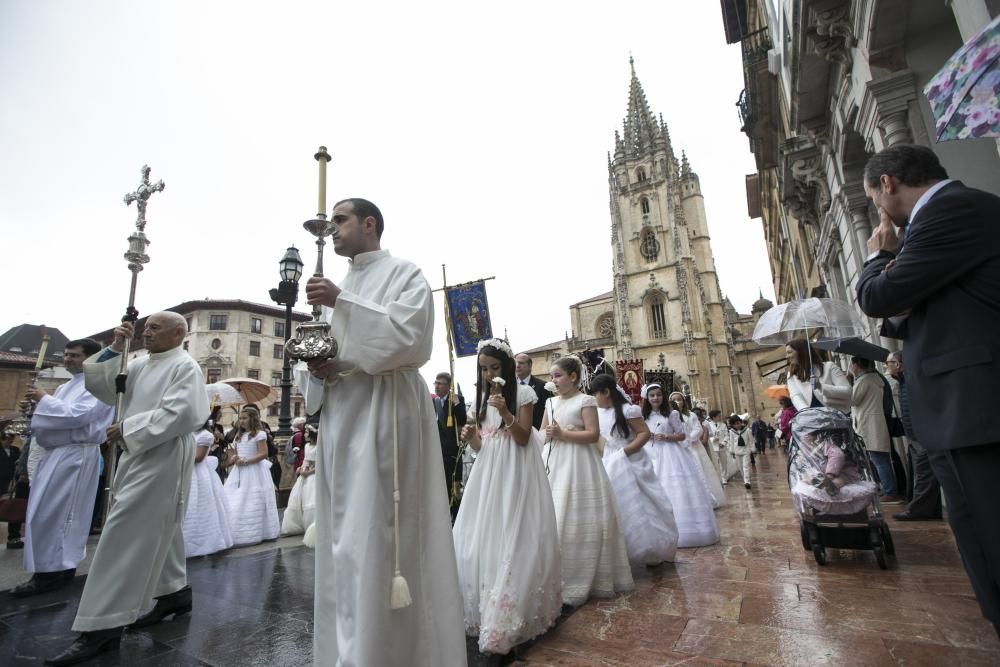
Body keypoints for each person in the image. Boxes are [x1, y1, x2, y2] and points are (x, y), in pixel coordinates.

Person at [293, 197, 466, 665]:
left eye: (341, 220)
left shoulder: (405, 274)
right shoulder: (335, 287)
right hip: (341, 418)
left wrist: (341, 302)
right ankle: (349, 650)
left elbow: (410, 339)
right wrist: (315, 365)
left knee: (382, 534)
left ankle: (393, 650)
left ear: (370, 224)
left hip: (385, 413)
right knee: (346, 543)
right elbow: (320, 355)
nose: (332, 229)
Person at [856, 144, 1000, 637]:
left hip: (973, 407)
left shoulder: (949, 212)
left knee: (988, 532)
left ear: (888, 184)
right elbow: (906, 313)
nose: (877, 208)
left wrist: (880, 257)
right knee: (978, 530)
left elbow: (878, 298)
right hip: (964, 405)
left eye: (873, 195)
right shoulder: (953, 214)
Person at [45, 313, 208, 666]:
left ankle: (101, 628)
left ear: (179, 333)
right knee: (159, 525)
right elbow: (105, 390)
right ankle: (174, 593)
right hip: (136, 453)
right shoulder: (137, 364)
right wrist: (116, 348)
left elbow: (187, 413)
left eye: (155, 328)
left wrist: (130, 427)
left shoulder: (185, 366)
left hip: (163, 455)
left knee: (124, 533)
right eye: (145, 328)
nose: (146, 333)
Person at [453, 338, 561, 655]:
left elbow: (524, 437)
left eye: (494, 368)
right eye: (484, 369)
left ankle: (515, 608)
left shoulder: (523, 394)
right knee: (482, 532)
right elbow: (482, 446)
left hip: (517, 467)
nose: (489, 374)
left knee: (515, 528)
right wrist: (471, 435)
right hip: (489, 471)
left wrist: (506, 412)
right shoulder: (480, 398)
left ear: (507, 366)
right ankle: (480, 603)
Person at [10, 338, 113, 597]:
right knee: (43, 513)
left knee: (59, 515)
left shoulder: (98, 386)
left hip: (75, 456)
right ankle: (51, 568)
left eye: (74, 355)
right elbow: (57, 418)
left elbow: (79, 416)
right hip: (56, 454)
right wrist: (36, 410)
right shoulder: (67, 386)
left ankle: (53, 573)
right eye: (66, 354)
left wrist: (44, 398)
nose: (67, 359)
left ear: (90, 359)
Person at [541, 355, 633, 605]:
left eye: (558, 375)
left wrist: (562, 433)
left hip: (581, 463)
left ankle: (588, 575)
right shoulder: (549, 402)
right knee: (556, 513)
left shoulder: (586, 400)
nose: (554, 381)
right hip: (556, 462)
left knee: (581, 513)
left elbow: (593, 435)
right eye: (551, 377)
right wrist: (546, 434)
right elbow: (542, 433)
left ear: (573, 377)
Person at [591, 373, 678, 566]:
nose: (595, 399)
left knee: (644, 501)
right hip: (609, 458)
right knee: (617, 501)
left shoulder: (628, 410)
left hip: (631, 458)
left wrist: (625, 452)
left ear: (606, 392)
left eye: (596, 394)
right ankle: (623, 549)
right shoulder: (598, 412)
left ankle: (654, 546)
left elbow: (644, 433)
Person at [643, 388, 719, 547]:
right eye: (652, 395)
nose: (655, 398)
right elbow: (643, 434)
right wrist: (650, 436)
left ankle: (687, 530)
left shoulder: (672, 414)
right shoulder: (645, 416)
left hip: (671, 453)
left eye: (658, 395)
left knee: (677, 489)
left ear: (663, 397)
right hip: (652, 452)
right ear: (647, 398)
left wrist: (666, 436)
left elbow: (681, 435)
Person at [887, 353, 941, 521]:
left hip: (921, 435)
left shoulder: (910, 381)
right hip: (914, 434)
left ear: (898, 364)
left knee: (924, 474)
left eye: (889, 362)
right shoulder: (902, 381)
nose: (886, 366)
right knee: (922, 473)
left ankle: (919, 510)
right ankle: (928, 509)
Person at [223, 407, 280, 546]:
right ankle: (234, 530)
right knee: (234, 498)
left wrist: (247, 461)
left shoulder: (259, 434)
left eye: (244, 418)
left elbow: (263, 453)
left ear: (253, 419)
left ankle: (256, 532)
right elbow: (236, 452)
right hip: (239, 470)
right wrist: (235, 458)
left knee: (252, 499)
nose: (241, 421)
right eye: (240, 418)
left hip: (254, 470)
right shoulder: (238, 435)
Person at [182, 406, 234, 558]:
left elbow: (198, 457)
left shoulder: (205, 435)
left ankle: (202, 542)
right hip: (186, 470)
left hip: (197, 473)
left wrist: (178, 458)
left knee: (199, 504)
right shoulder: (188, 433)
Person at [849, 356, 899, 503]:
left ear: (857, 364)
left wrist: (849, 381)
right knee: (879, 458)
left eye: (851, 364)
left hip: (868, 423)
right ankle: (887, 488)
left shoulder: (864, 380)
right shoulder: (874, 378)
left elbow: (852, 399)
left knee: (878, 459)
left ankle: (890, 491)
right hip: (873, 421)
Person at [784, 339, 852, 412]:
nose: (786, 356)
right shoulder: (792, 375)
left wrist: (821, 386)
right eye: (786, 353)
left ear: (802, 352)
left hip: (838, 416)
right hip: (814, 419)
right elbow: (796, 396)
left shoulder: (829, 367)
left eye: (790, 352)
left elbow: (848, 392)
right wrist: (807, 412)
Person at [433, 371, 467, 517]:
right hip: (437, 449)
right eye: (436, 383)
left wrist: (457, 404)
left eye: (440, 384)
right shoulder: (434, 402)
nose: (437, 386)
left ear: (449, 386)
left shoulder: (456, 399)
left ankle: (454, 513)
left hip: (452, 450)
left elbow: (462, 420)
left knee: (452, 484)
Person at [281, 424, 318, 537]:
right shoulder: (306, 446)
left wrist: (308, 472)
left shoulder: (319, 446)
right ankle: (298, 523)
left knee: (311, 497)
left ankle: (312, 524)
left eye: (307, 432)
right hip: (304, 475)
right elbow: (306, 460)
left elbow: (319, 463)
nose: (305, 434)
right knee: (299, 498)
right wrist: (300, 468)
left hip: (313, 475)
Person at [686, 404, 725, 508]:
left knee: (704, 469)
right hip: (688, 447)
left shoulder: (704, 425)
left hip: (700, 447)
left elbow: (705, 438)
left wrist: (688, 439)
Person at [0, 429, 22, 549]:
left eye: (11, 439)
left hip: (11, 480)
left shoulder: (15, 450)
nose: (9, 442)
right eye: (7, 439)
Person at [514, 352, 548, 429]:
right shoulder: (510, 385)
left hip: (536, 430)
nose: (517, 366)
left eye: (521, 363)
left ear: (530, 365)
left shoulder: (542, 386)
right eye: (516, 363)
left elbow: (545, 412)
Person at [727, 415, 754, 490]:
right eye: (735, 424)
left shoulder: (747, 430)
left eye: (738, 423)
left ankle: (747, 481)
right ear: (732, 425)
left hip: (746, 450)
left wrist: (752, 448)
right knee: (740, 467)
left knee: (746, 466)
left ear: (741, 422)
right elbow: (731, 441)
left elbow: (751, 440)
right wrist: (731, 450)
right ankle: (745, 479)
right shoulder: (732, 432)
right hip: (737, 451)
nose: (737, 425)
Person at [705, 409, 729, 485]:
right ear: (713, 417)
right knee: (716, 463)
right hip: (713, 447)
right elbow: (707, 435)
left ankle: (724, 478)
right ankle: (718, 478)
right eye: (718, 416)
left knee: (724, 463)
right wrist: (712, 439)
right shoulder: (708, 425)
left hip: (722, 446)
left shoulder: (723, 425)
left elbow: (727, 435)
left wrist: (724, 442)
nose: (720, 417)